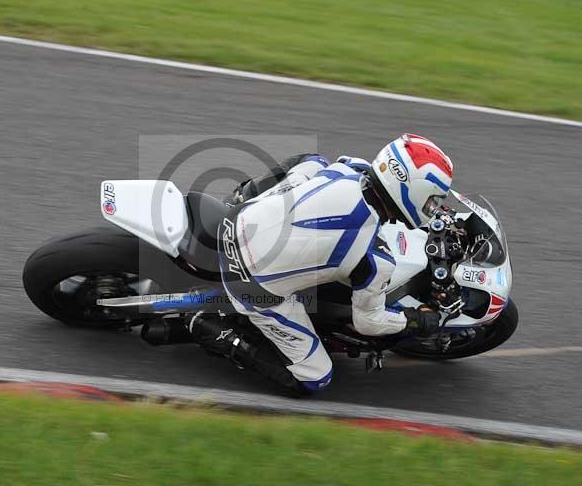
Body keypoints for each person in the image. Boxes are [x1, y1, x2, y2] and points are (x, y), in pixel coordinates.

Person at [189, 134, 453, 393]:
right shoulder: (374, 258)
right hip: (248, 281)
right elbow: (368, 323)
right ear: (413, 191)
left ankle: (241, 195)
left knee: (312, 162)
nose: (433, 208)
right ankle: (213, 330)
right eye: (432, 201)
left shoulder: (353, 168)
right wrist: (416, 320)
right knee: (315, 377)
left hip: (237, 218)